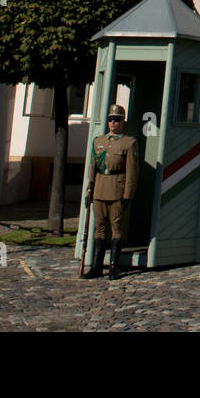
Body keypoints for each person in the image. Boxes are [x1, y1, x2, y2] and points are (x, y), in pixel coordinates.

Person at [82, 104, 139, 280]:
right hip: (100, 188)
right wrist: (89, 189)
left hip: (117, 188)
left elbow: (132, 171)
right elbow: (93, 167)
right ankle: (97, 266)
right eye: (110, 119)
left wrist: (128, 194)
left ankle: (114, 266)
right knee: (99, 228)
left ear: (122, 121)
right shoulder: (99, 141)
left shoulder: (128, 143)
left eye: (116, 119)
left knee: (116, 228)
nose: (113, 122)